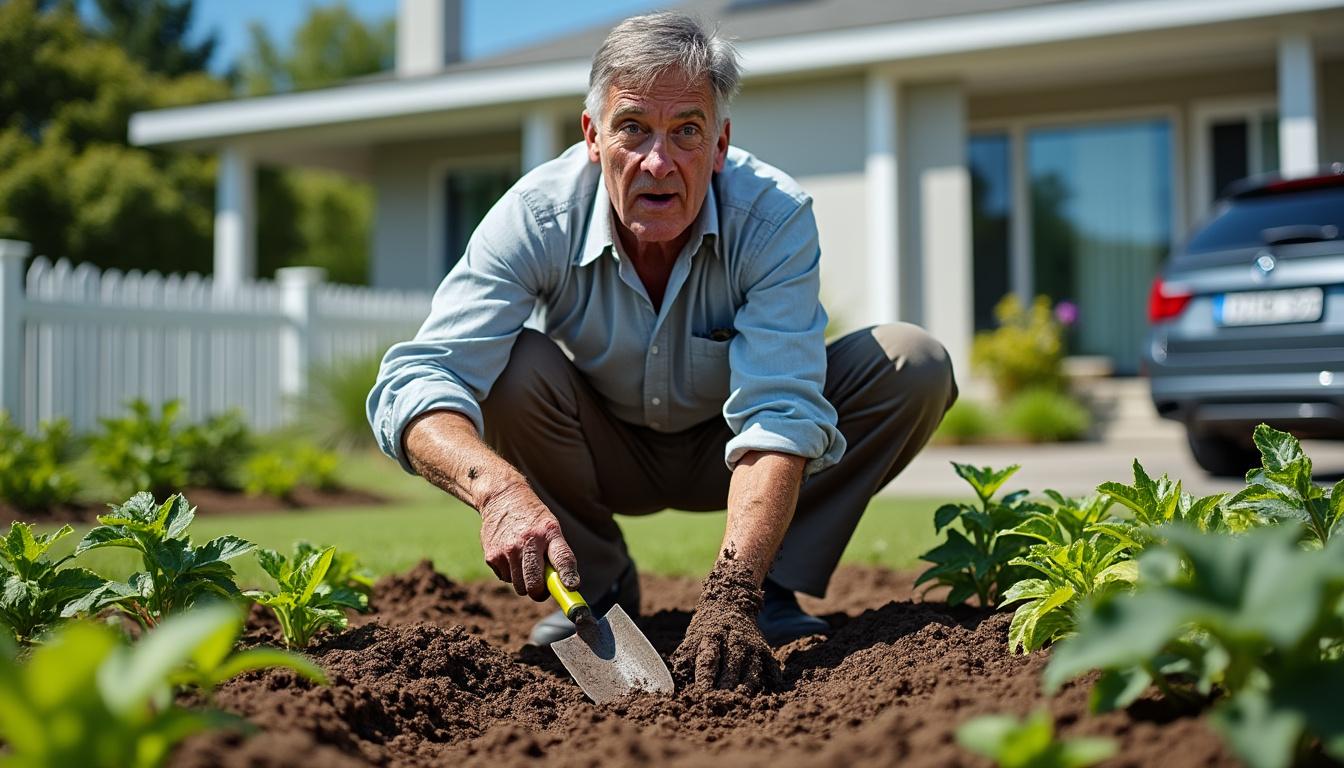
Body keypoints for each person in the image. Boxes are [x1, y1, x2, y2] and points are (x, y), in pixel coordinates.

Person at [367, 11, 957, 694]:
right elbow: (417, 378)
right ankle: (598, 581)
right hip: (601, 447)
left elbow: (780, 413)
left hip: (733, 452)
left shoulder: (773, 218)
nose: (659, 161)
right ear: (592, 137)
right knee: (513, 366)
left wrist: (731, 593)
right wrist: (497, 489)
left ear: (721, 144)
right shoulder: (535, 217)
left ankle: (768, 589)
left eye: (687, 132)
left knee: (911, 362)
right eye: (633, 128)